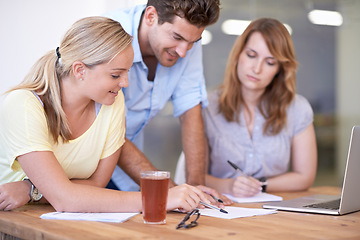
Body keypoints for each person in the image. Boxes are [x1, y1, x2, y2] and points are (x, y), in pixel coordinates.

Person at [0, 16, 214, 212]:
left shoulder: (112, 103)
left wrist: (30, 190)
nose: (125, 83)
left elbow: (95, 186)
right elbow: (66, 199)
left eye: (127, 72)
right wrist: (160, 198)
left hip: (56, 221)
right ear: (80, 70)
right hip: (13, 221)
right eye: (115, 75)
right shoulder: (24, 105)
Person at [103, 0, 223, 193]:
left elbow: (190, 111)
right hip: (85, 167)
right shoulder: (108, 35)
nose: (183, 52)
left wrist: (195, 189)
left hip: (128, 171)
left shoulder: (185, 38)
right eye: (176, 37)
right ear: (151, 16)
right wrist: (169, 191)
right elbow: (107, 131)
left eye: (193, 42)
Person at [203, 18, 317, 197]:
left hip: (274, 211)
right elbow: (195, 177)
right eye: (251, 55)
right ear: (238, 54)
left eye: (270, 62)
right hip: (220, 209)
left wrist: (261, 185)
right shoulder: (207, 106)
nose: (257, 69)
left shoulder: (297, 108)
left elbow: (304, 176)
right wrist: (230, 185)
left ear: (280, 69)